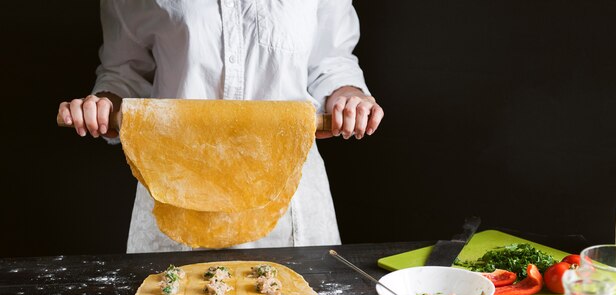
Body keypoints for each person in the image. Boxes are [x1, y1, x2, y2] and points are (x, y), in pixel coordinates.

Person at [57, 0, 384, 253]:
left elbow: (330, 61)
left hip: (288, 190)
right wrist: (104, 105)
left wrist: (347, 94)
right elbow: (124, 70)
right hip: (175, 187)